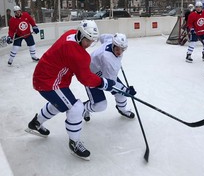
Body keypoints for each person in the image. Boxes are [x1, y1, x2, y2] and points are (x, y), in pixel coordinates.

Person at [25, 20, 122, 161]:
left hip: (49, 76)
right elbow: (86, 79)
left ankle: (35, 123)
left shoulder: (71, 33)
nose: (89, 44)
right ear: (81, 35)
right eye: (88, 40)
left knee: (61, 104)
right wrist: (105, 83)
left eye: (92, 41)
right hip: (48, 82)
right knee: (76, 107)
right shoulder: (79, 55)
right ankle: (74, 143)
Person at [83, 33, 136, 122]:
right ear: (113, 45)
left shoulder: (110, 39)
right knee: (100, 105)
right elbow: (110, 83)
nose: (120, 52)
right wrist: (126, 91)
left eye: (122, 49)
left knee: (120, 94)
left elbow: (102, 37)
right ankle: (83, 108)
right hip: (89, 75)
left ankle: (122, 109)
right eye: (117, 49)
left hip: (103, 71)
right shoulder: (109, 60)